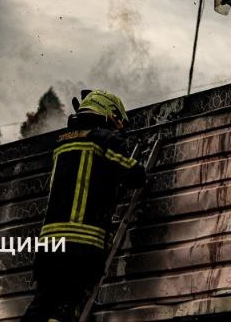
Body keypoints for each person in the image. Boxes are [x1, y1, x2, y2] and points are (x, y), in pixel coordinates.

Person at [21, 90, 145, 322]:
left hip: (49, 247)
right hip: (81, 247)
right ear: (110, 114)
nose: (120, 129)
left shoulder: (62, 143)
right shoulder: (104, 140)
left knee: (41, 305)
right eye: (119, 122)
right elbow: (135, 174)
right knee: (66, 309)